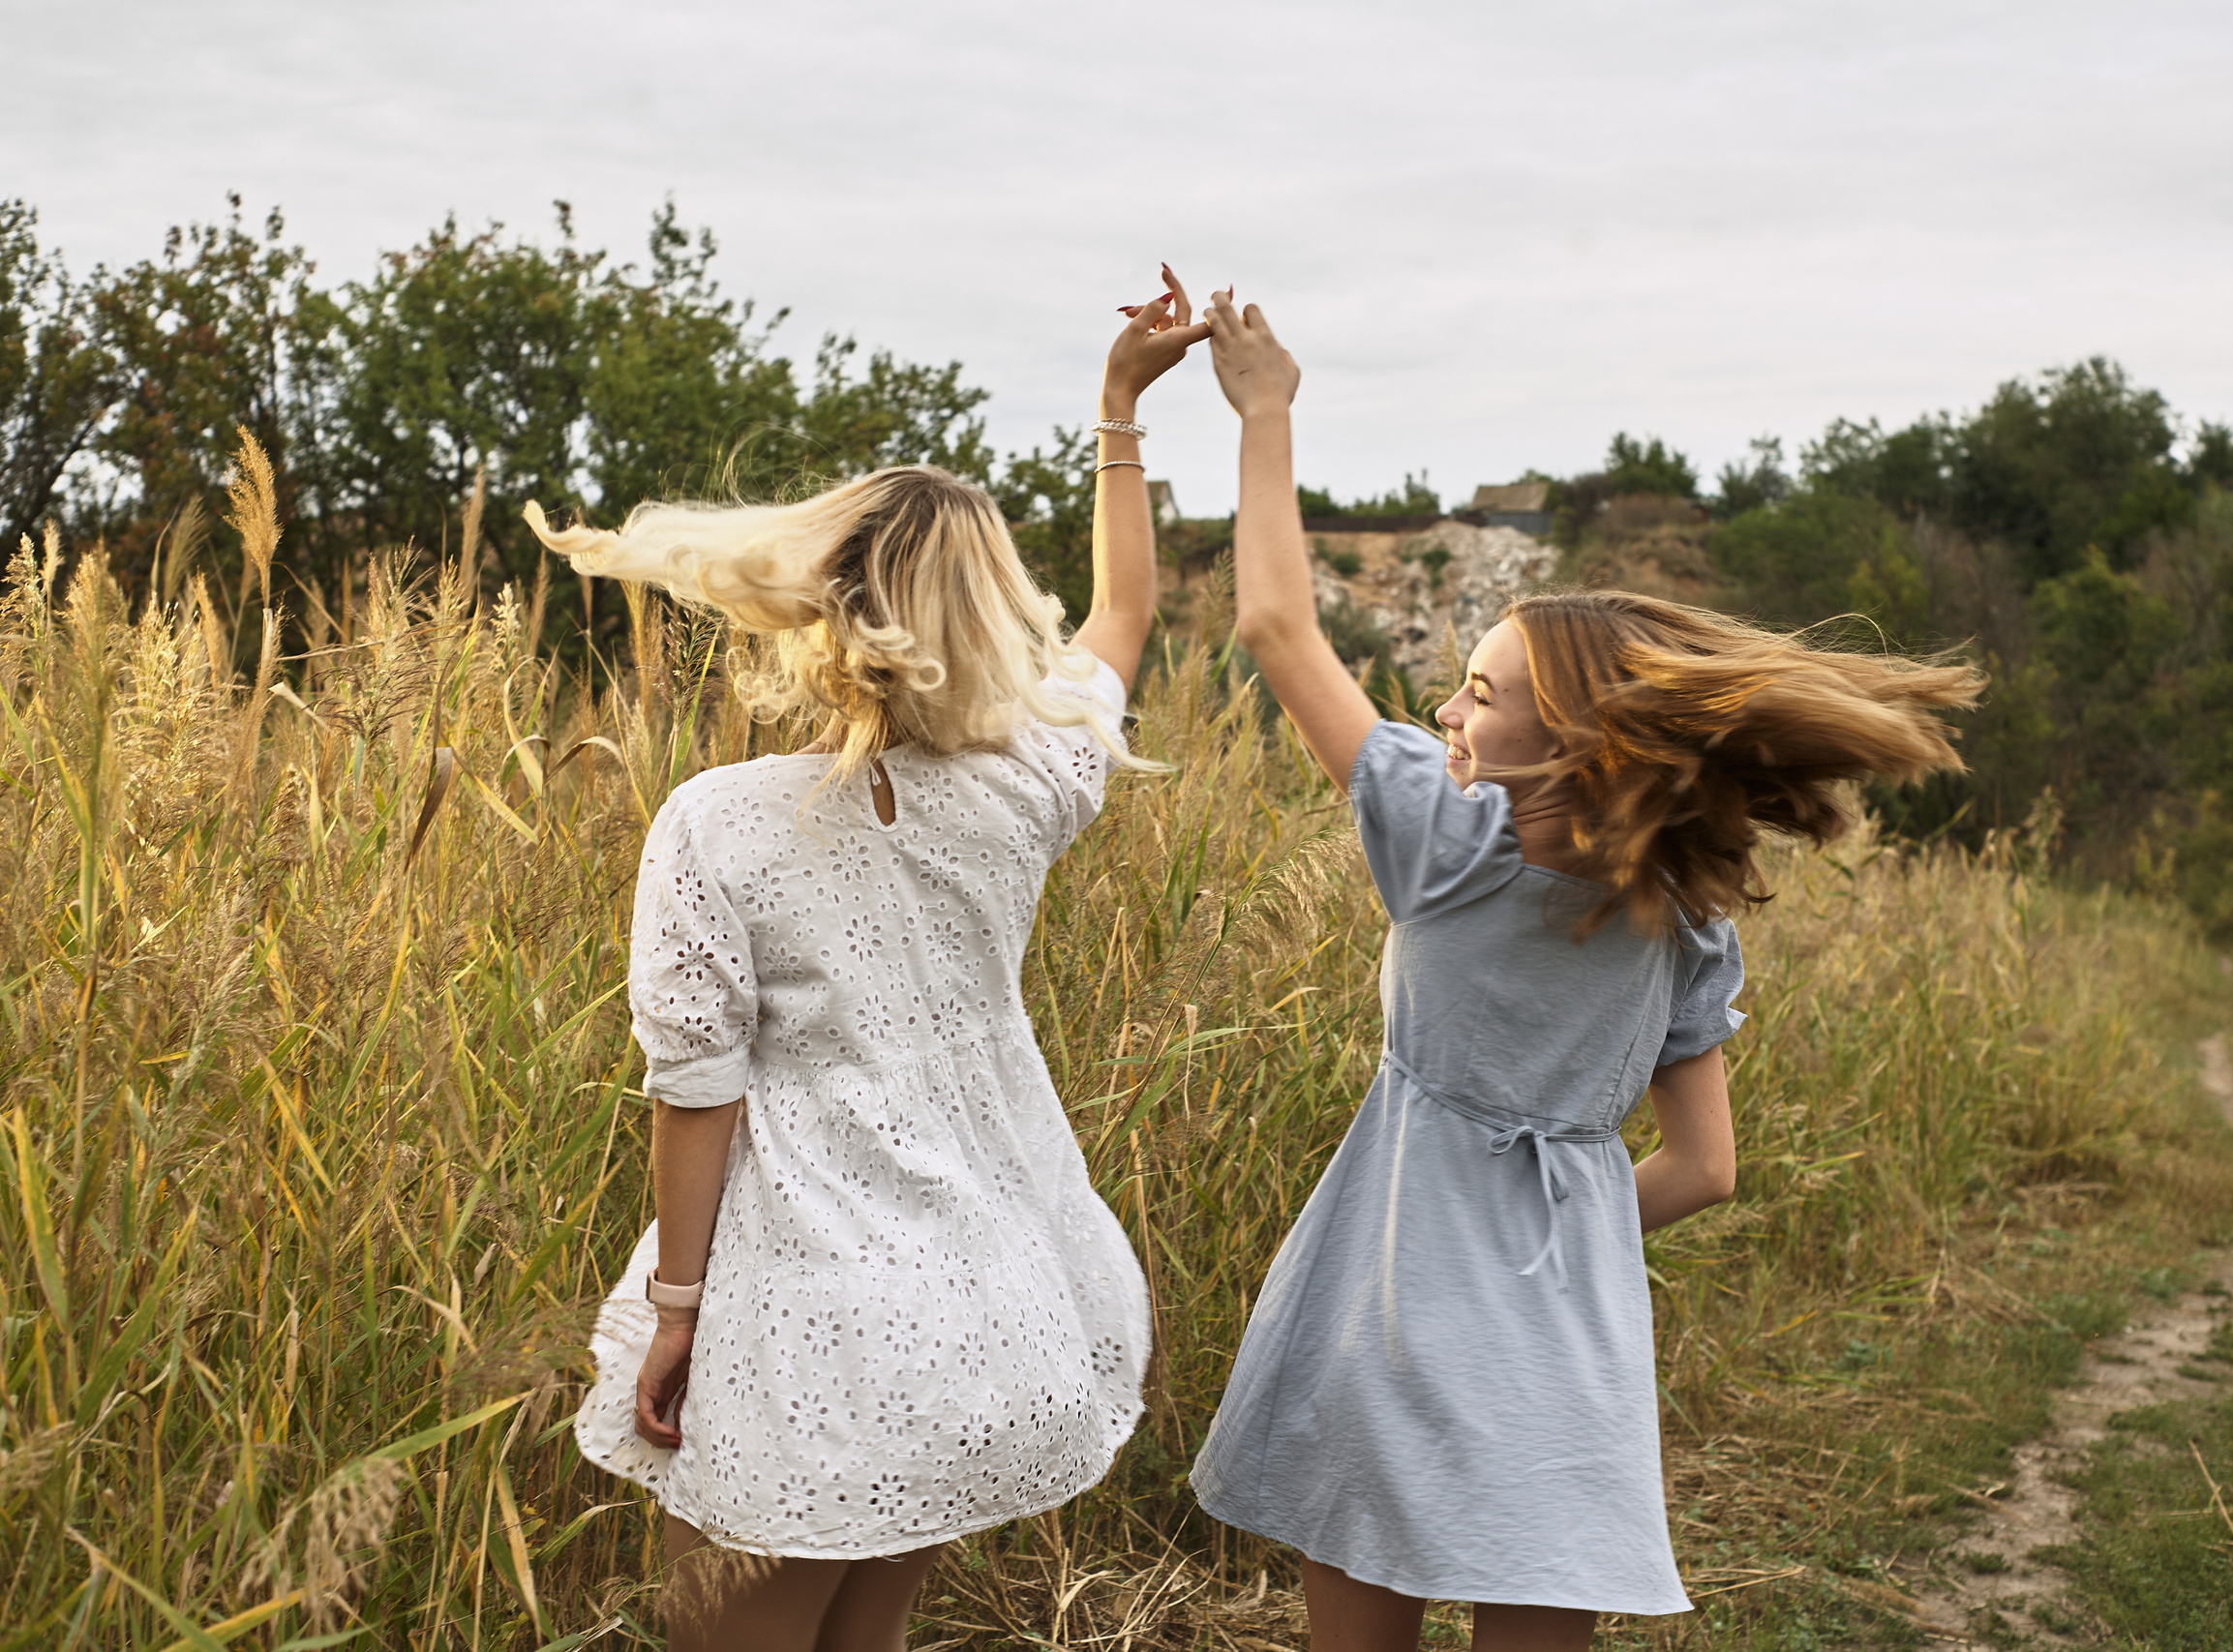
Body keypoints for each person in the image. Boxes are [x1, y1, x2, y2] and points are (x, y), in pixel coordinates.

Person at [1186, 288, 1981, 1650]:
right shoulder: (1687, 909)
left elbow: (1274, 627)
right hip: (1563, 1357)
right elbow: (1707, 1169)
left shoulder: (1448, 850)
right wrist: (1566, 1228)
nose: (1447, 708)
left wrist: (1266, 413)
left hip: (1386, 1312)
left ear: (1570, 744)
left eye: (1480, 694)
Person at [530, 270, 1210, 1652]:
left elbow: (699, 1090)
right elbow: (1122, 623)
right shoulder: (1029, 782)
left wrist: (675, 1312)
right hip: (982, 1303)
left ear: (814, 604)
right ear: (988, 611)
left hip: (805, 1318)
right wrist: (1117, 418)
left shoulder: (720, 824)